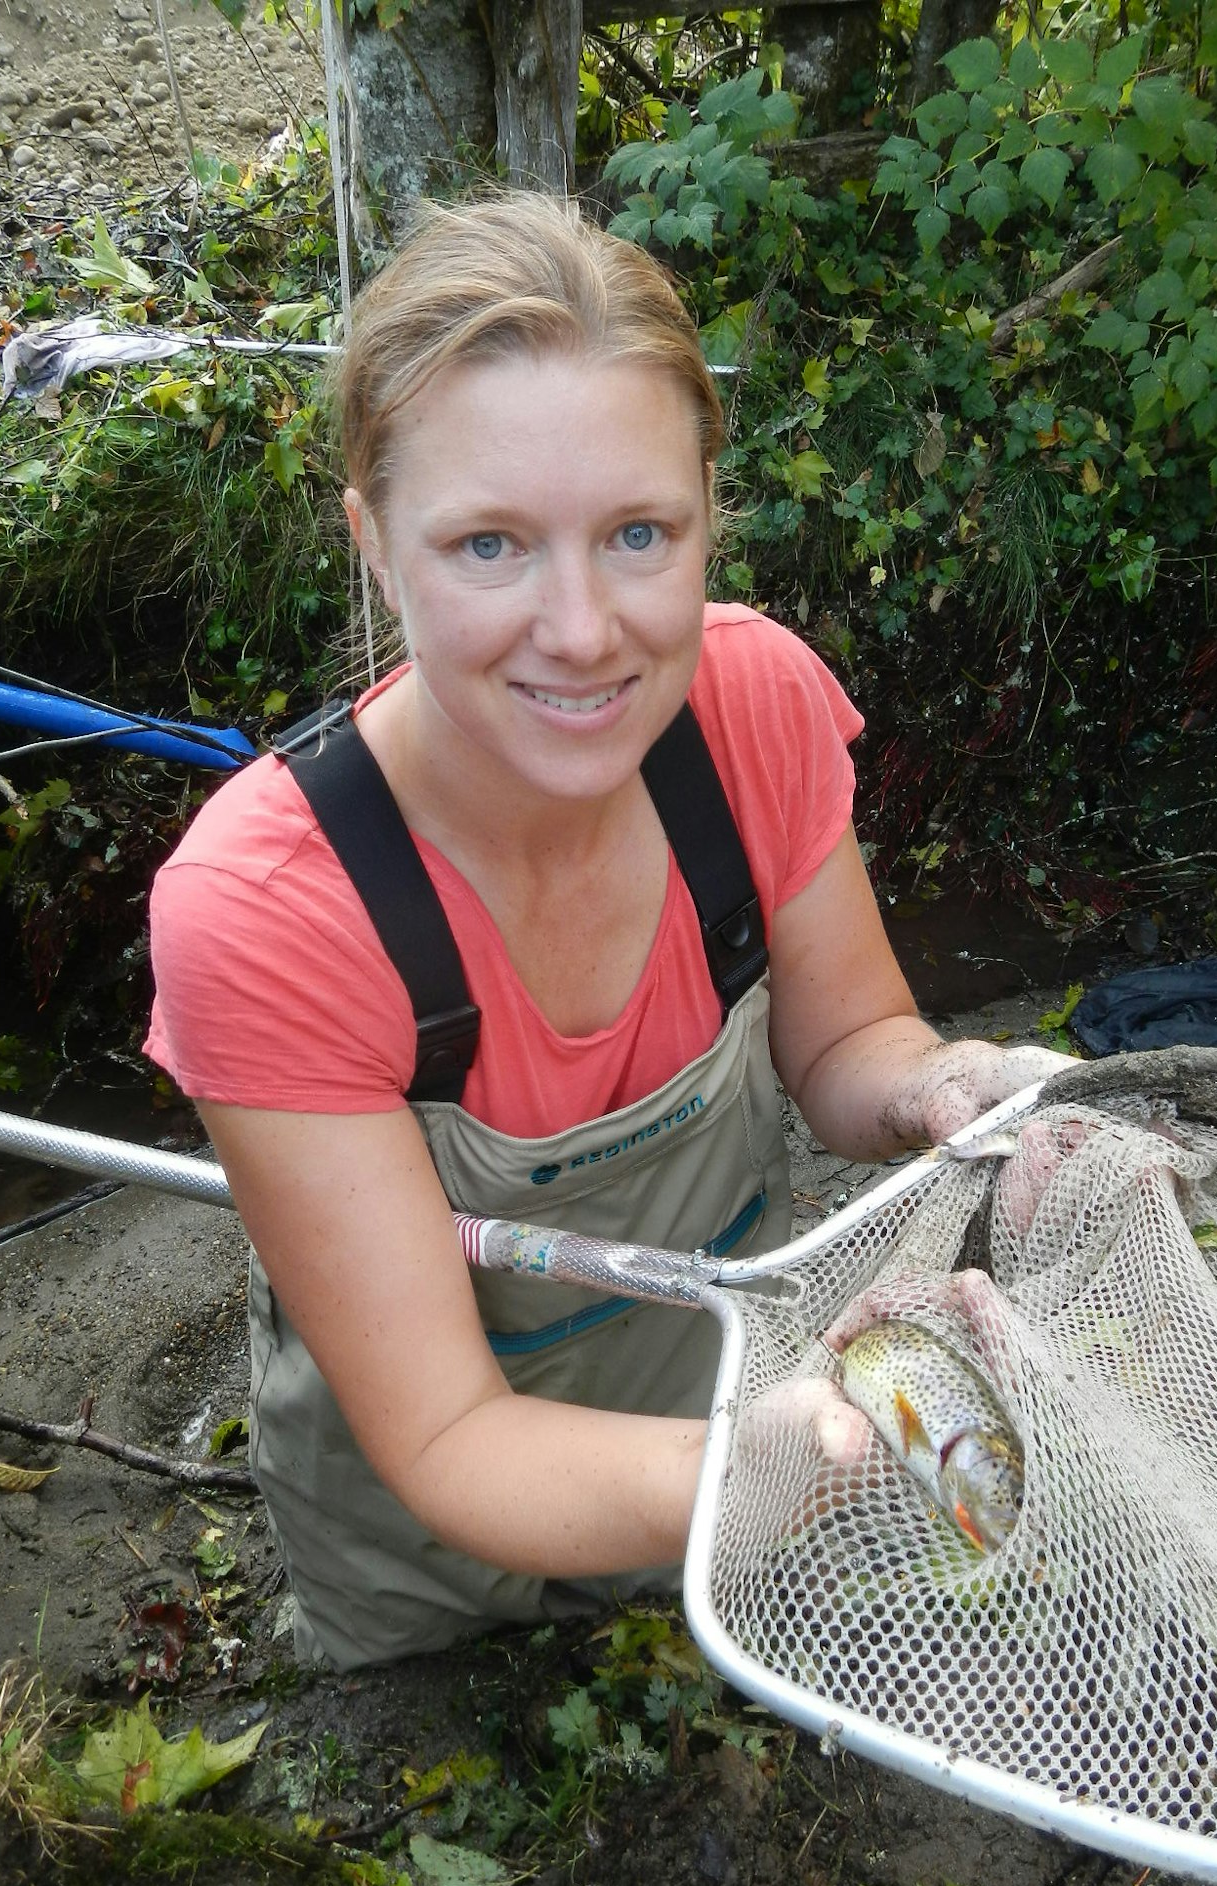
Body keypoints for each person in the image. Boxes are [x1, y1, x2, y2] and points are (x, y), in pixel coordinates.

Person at [145, 191, 1073, 1670]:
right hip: (428, 1541)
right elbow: (448, 1437)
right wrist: (767, 1465)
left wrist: (934, 1084)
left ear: (712, 509)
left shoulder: (753, 704)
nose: (581, 631)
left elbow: (846, 1043)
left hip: (721, 1412)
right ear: (374, 542)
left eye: (639, 532)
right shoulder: (266, 912)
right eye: (490, 546)